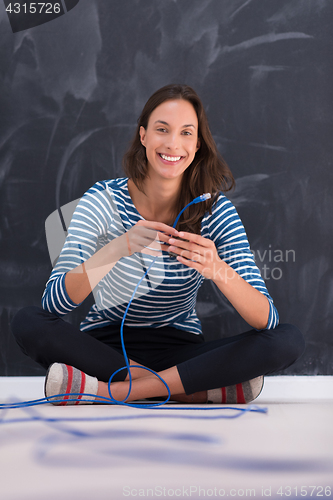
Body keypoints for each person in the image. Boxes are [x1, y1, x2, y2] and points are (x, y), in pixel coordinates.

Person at [11, 84, 305, 405]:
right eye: (162, 130)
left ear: (197, 145)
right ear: (143, 136)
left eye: (186, 133)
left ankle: (108, 391)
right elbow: (52, 306)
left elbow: (268, 319)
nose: (173, 144)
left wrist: (217, 269)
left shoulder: (215, 210)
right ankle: (192, 390)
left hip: (181, 349)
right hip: (105, 349)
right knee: (28, 321)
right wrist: (116, 249)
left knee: (287, 340)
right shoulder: (102, 200)